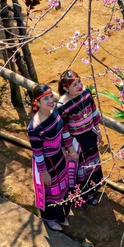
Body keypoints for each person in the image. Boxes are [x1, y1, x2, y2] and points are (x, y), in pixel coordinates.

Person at [27, 83, 78, 231]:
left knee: (62, 188)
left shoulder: (55, 112)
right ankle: (49, 217)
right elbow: (38, 153)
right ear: (37, 102)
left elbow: (63, 131)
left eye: (51, 97)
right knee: (51, 192)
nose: (50, 101)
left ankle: (61, 216)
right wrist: (44, 173)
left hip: (60, 157)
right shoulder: (35, 128)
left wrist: (67, 148)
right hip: (48, 164)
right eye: (45, 99)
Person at [56, 70, 105, 206]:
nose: (79, 86)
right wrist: (71, 149)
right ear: (65, 88)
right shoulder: (63, 106)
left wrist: (98, 130)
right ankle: (85, 194)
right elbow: (64, 129)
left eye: (79, 82)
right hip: (77, 141)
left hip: (90, 134)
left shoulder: (86, 94)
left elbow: (94, 112)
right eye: (74, 85)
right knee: (82, 169)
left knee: (94, 163)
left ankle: (95, 188)